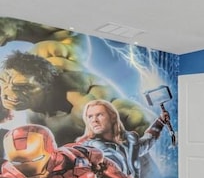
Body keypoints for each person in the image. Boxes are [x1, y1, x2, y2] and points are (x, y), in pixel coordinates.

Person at [0, 51, 151, 145]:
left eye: (23, 88)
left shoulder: (83, 104)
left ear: (47, 87)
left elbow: (137, 119)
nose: (7, 93)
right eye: (3, 82)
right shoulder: (25, 99)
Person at [0, 124, 139, 178]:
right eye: (17, 161)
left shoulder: (80, 155)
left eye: (35, 159)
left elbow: (104, 165)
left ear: (51, 149)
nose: (27, 165)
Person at [76, 99, 169, 178]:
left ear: (113, 117)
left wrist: (159, 123)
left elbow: (146, 142)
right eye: (90, 116)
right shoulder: (86, 149)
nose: (94, 120)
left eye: (99, 115)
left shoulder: (129, 140)